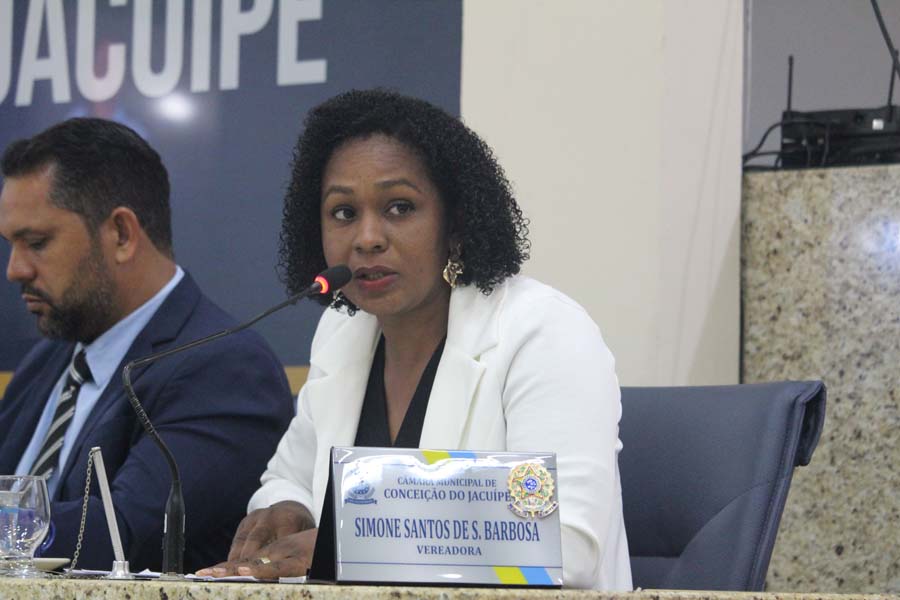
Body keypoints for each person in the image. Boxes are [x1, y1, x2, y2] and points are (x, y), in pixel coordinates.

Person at [198, 89, 632, 590]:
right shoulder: (342, 332)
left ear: (455, 221)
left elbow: (564, 543)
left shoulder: (543, 331)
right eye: (343, 213)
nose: (367, 237)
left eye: (399, 207)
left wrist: (351, 543)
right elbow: (289, 477)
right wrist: (288, 508)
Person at [0, 118, 294, 572]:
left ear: (121, 234)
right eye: (11, 245)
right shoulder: (49, 360)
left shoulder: (226, 368)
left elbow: (122, 536)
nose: (15, 270)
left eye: (37, 242)